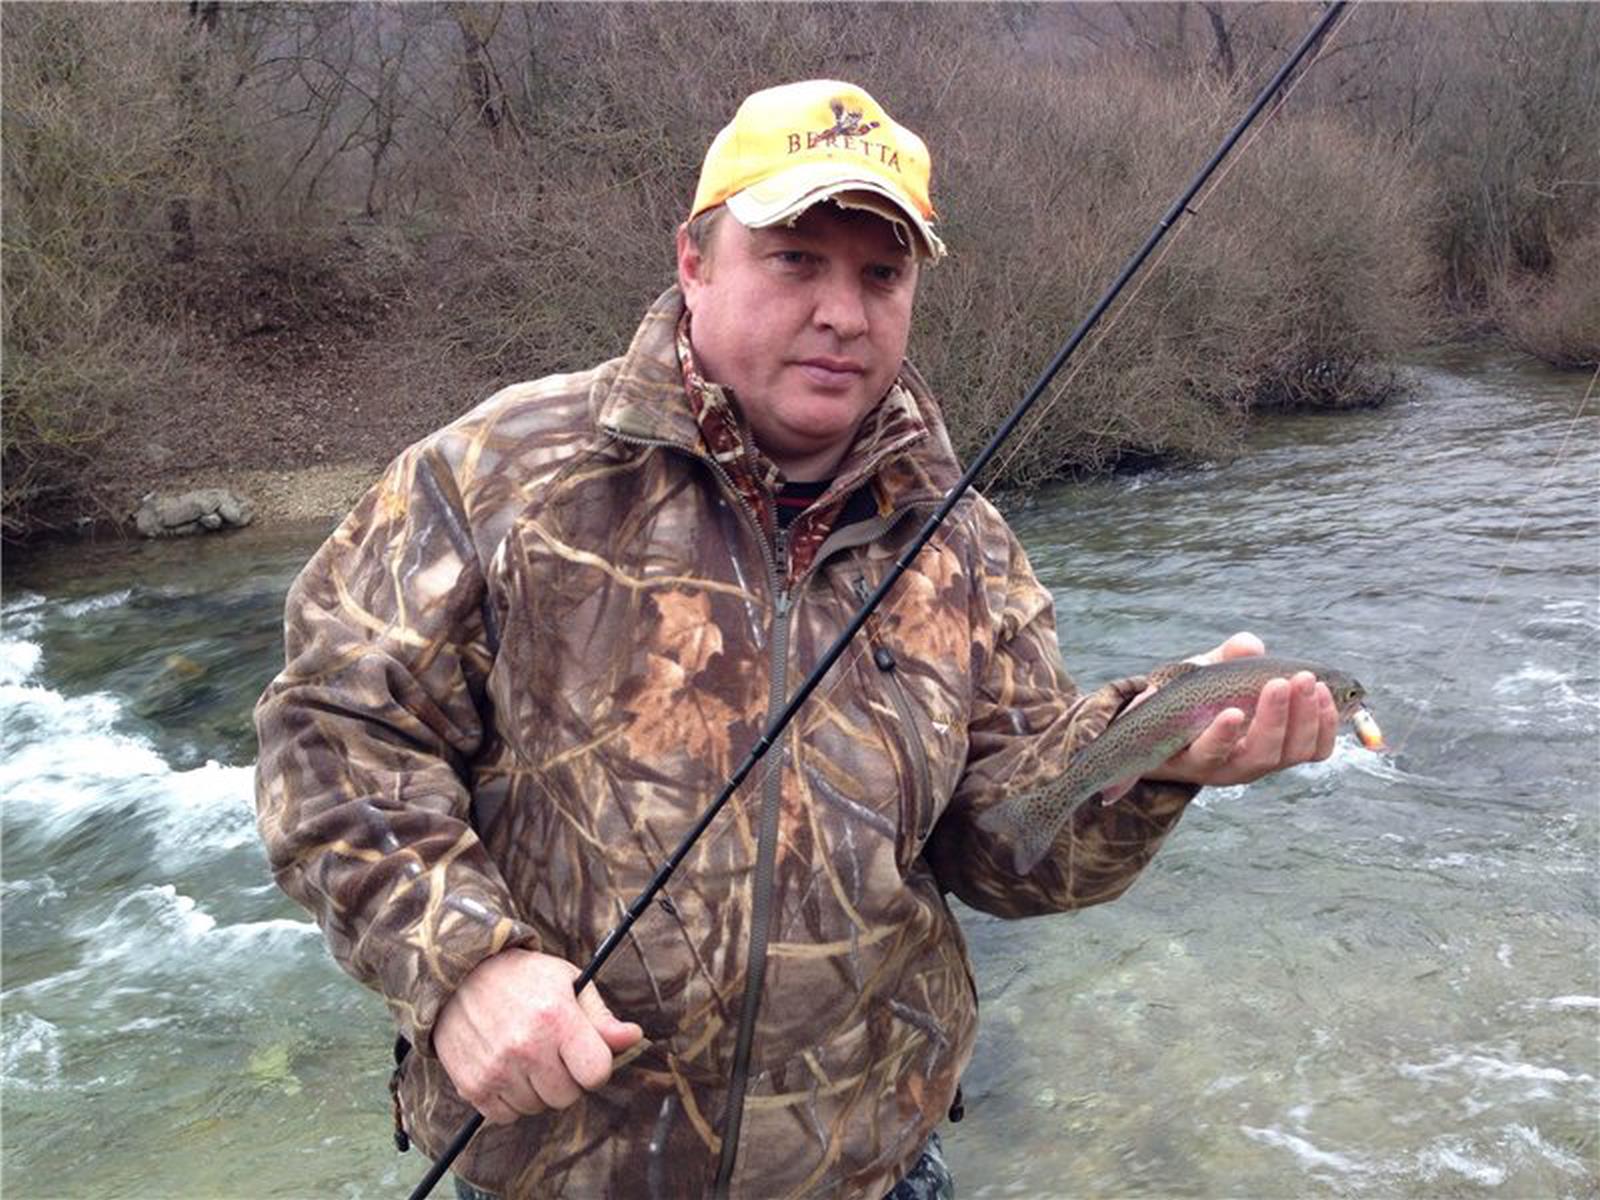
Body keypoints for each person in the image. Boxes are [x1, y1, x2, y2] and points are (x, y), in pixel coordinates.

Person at [254, 79, 1337, 1200]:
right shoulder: (499, 474)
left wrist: (1150, 760)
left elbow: (1004, 851)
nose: (843, 313)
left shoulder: (964, 543)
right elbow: (330, 736)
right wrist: (462, 965)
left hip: (872, 1165)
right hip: (554, 1169)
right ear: (694, 262)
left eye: (882, 276)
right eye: (794, 261)